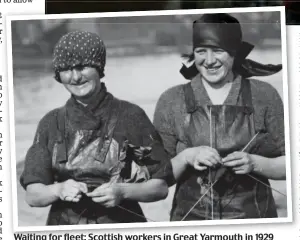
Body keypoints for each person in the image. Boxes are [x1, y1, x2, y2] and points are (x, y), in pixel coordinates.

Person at [20, 31, 170, 225]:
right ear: (58, 75)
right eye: (66, 69)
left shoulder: (131, 116)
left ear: (99, 67)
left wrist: (123, 191)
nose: (75, 77)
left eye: (82, 67)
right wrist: (58, 189)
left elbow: (161, 187)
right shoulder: (50, 123)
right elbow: (33, 196)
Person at [153, 13, 286, 221]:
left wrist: (255, 163)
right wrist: (187, 156)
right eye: (201, 51)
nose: (209, 61)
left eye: (218, 51)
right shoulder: (171, 100)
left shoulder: (264, 95)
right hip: (190, 221)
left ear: (234, 52)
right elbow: (157, 177)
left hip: (254, 222)